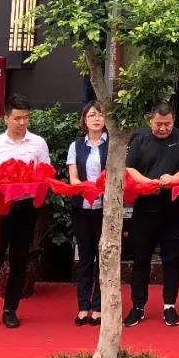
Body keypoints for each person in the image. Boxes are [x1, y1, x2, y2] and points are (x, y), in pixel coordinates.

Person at [0, 94, 51, 332]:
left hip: (25, 208)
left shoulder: (38, 143)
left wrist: (36, 182)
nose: (22, 122)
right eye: (17, 118)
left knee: (19, 259)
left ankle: (10, 310)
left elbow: (45, 169)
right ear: (6, 118)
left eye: (26, 118)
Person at [124, 103, 179, 327]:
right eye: (158, 124)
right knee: (141, 259)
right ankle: (138, 306)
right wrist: (148, 183)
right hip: (144, 208)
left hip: (173, 208)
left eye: (167, 124)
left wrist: (174, 178)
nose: (163, 128)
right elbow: (129, 168)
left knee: (172, 259)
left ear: (173, 121)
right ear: (151, 121)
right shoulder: (140, 139)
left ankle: (170, 305)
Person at [67, 101, 108, 326]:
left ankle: (99, 307)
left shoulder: (112, 144)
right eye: (92, 115)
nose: (96, 119)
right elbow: (73, 178)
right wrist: (88, 188)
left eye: (100, 115)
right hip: (82, 207)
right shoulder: (76, 146)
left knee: (103, 258)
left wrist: (100, 189)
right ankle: (83, 306)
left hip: (105, 209)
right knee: (84, 259)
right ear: (84, 120)